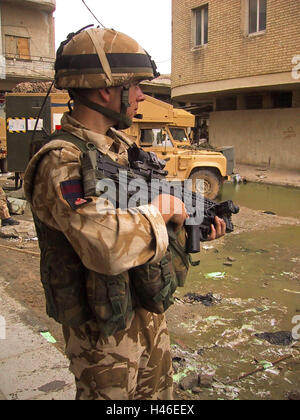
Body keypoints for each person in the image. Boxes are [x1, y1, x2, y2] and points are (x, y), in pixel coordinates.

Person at [24, 26, 226, 400]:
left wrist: (188, 224)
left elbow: (147, 226)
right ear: (107, 88)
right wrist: (163, 210)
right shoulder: (61, 161)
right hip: (102, 335)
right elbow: (106, 246)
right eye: (134, 86)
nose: (141, 95)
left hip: (146, 314)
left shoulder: (122, 149)